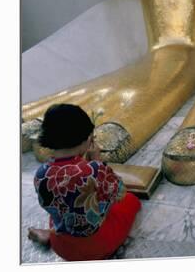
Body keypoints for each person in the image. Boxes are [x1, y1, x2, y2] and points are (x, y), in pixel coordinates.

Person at [27, 103, 141, 261]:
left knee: (64, 204)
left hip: (62, 247)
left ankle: (50, 235)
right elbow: (119, 192)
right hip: (97, 247)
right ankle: (52, 236)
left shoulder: (40, 173)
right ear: (86, 138)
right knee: (131, 200)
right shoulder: (94, 169)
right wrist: (98, 161)